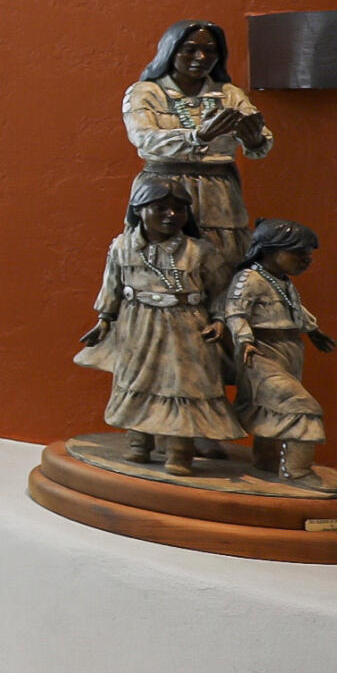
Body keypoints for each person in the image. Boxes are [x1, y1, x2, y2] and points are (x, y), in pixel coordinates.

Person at [75, 177, 238, 475]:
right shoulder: (122, 247)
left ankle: (179, 452)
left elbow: (221, 290)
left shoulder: (199, 251)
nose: (171, 215)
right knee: (140, 380)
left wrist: (218, 319)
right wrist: (105, 319)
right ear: (139, 210)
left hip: (187, 328)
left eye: (179, 209)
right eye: (160, 208)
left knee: (183, 386)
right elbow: (111, 285)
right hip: (138, 326)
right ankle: (139, 444)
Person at [121, 20, 272, 275]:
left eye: (210, 51)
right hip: (163, 186)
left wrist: (253, 138)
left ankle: (221, 312)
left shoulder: (229, 94)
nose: (201, 58)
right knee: (163, 259)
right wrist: (197, 136)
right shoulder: (146, 92)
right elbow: (144, 138)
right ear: (171, 51)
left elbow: (261, 140)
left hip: (218, 187)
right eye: (190, 50)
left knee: (224, 258)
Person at [224, 219, 337, 484]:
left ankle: (266, 460)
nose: (306, 259)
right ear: (269, 250)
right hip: (260, 352)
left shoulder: (282, 280)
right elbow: (235, 312)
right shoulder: (249, 278)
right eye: (298, 252)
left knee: (273, 408)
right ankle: (296, 470)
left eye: (308, 253)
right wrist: (244, 340)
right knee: (300, 406)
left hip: (288, 351)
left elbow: (295, 309)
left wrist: (313, 331)